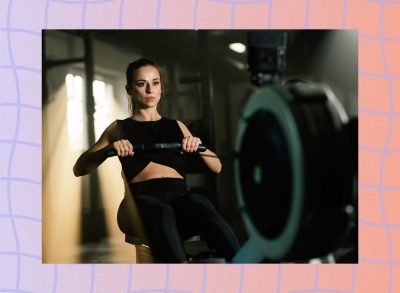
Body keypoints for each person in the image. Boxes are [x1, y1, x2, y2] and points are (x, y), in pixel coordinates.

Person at [73, 58, 240, 263]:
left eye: (155, 82)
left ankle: (243, 267)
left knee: (201, 203)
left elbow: (217, 166)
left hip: (179, 199)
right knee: (162, 212)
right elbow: (79, 168)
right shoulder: (118, 128)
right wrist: (109, 149)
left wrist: (198, 147)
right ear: (130, 89)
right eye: (141, 84)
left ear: (161, 88)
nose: (150, 89)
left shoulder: (176, 126)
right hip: (139, 204)